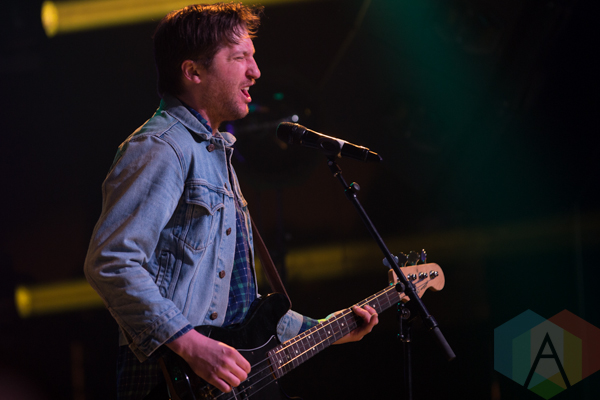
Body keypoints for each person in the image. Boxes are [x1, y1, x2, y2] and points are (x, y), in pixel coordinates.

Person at [83, 3, 378, 399]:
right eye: (240, 58)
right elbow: (111, 262)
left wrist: (328, 328)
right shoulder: (160, 147)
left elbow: (241, 308)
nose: (255, 72)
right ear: (193, 71)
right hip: (170, 380)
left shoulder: (216, 155)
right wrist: (192, 345)